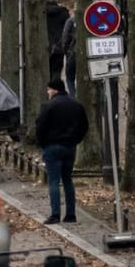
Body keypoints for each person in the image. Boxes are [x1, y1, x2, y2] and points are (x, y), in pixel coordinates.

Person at [34, 78, 87, 224]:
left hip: (52, 146)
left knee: (54, 181)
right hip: (70, 146)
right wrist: (76, 140)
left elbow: (40, 126)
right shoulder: (76, 105)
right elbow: (84, 126)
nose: (47, 92)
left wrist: (42, 143)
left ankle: (55, 214)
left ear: (54, 90)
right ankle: (71, 214)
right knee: (68, 180)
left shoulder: (48, 106)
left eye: (48, 89)